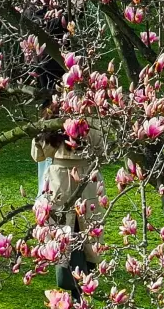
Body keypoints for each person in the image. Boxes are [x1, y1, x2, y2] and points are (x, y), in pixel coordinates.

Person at [32, 123, 106, 298]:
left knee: (66, 228)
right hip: (86, 175)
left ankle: (75, 284)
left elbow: (39, 155)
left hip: (60, 178)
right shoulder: (92, 119)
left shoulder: (54, 124)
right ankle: (83, 281)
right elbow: (102, 151)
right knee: (85, 227)